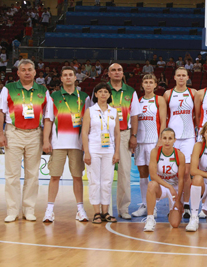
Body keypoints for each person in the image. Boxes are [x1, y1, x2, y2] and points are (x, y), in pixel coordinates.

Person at [0, 59, 50, 222]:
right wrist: (0, 134)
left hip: (35, 133)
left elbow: (48, 117)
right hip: (13, 132)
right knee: (12, 174)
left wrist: (45, 139)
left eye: (30, 69)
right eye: (23, 69)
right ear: (18, 72)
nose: (27, 72)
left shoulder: (43, 90)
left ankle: (29, 209)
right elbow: (0, 112)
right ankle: (12, 210)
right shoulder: (8, 89)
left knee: (32, 174)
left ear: (35, 72)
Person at [42, 67, 91, 223]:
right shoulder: (53, 96)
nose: (68, 77)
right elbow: (48, 120)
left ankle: (80, 209)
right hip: (58, 143)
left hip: (77, 144)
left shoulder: (85, 97)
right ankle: (49, 210)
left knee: (77, 177)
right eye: (65, 75)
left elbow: (88, 123)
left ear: (75, 77)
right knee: (54, 176)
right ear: (61, 79)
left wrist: (86, 144)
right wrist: (46, 140)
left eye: (71, 75)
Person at [107, 63, 141, 220]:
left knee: (125, 173)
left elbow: (134, 116)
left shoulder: (130, 92)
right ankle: (105, 209)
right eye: (113, 70)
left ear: (122, 73)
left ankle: (123, 208)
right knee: (104, 174)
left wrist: (134, 135)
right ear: (108, 73)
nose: (116, 72)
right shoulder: (102, 89)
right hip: (105, 134)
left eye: (119, 70)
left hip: (124, 133)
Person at [82, 83, 120, 224]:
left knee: (107, 181)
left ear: (110, 95)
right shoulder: (90, 111)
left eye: (106, 91)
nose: (103, 94)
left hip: (109, 150)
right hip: (94, 149)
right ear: (96, 94)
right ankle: (96, 212)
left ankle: (106, 211)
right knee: (94, 181)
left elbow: (117, 134)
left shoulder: (114, 111)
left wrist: (117, 152)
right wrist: (86, 152)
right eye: (100, 91)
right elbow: (84, 133)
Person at [131, 74, 167, 218]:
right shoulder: (138, 101)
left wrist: (161, 140)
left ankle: (154, 205)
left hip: (154, 141)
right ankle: (145, 204)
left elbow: (163, 121)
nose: (148, 84)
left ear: (155, 85)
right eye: (145, 82)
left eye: (151, 82)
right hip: (140, 141)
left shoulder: (159, 100)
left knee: (154, 175)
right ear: (142, 85)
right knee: (143, 175)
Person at [163, 67, 197, 218]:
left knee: (187, 173)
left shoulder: (193, 93)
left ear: (187, 77)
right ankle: (175, 204)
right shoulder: (168, 94)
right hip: (173, 138)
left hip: (189, 137)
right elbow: (165, 116)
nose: (181, 78)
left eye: (184, 75)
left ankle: (187, 203)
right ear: (175, 77)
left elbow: (197, 115)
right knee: (173, 172)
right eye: (179, 75)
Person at [143, 128, 185, 232]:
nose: (167, 141)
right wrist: (169, 186)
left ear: (174, 140)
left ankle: (172, 212)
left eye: (170, 138)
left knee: (175, 224)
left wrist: (178, 200)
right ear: (160, 139)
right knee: (152, 184)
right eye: (164, 138)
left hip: (175, 189)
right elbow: (153, 175)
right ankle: (150, 219)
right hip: (162, 187)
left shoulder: (179, 155)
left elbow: (181, 180)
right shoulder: (155, 152)